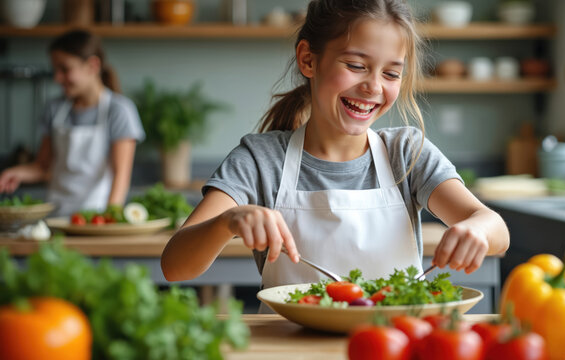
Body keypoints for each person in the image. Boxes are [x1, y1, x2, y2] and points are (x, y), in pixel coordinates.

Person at [161, 0, 509, 295]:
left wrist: (476, 230)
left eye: (391, 73)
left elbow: (496, 229)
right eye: (356, 66)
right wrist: (227, 221)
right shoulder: (260, 160)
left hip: (394, 343)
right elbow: (175, 266)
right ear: (308, 60)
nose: (373, 86)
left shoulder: (407, 153)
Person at [0, 30, 145, 216]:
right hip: (55, 215)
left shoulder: (119, 110)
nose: (57, 78)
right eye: (55, 70)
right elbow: (43, 167)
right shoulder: (54, 109)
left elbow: (121, 176)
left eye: (65, 69)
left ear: (92, 66)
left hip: (96, 216)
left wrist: (109, 219)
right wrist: (15, 173)